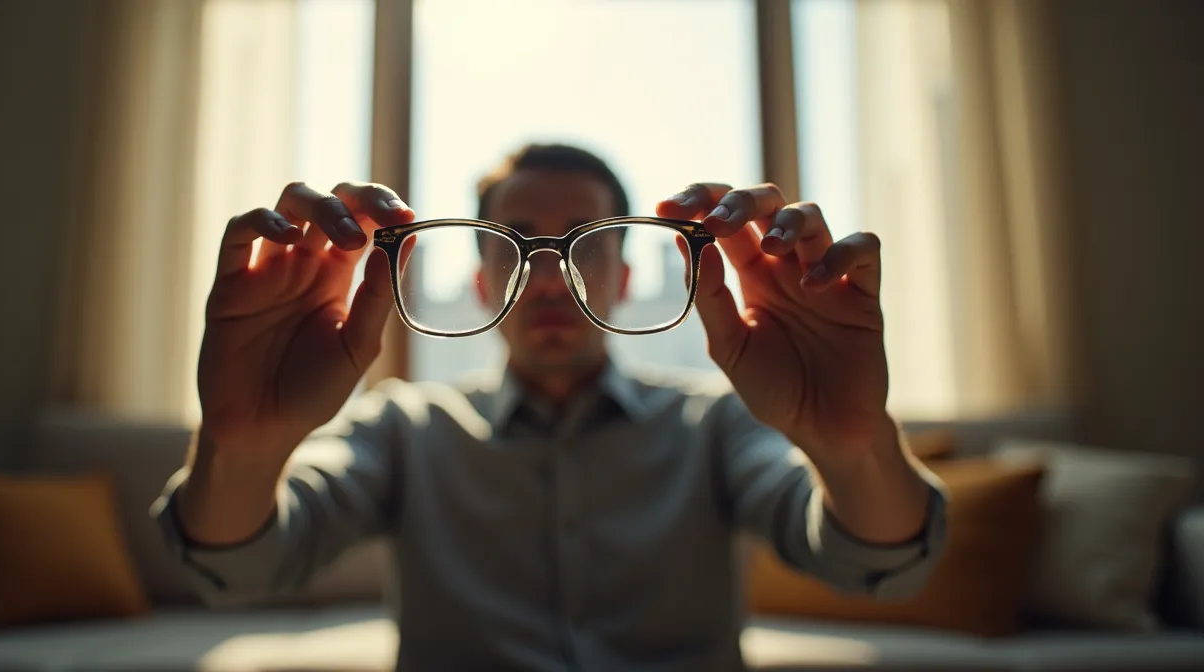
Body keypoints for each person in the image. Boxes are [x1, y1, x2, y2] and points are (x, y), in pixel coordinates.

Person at [151, 143, 948, 672]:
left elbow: (868, 564)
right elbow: (241, 570)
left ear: (627, 277)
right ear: (478, 281)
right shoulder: (408, 430)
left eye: (583, 242)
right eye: (512, 244)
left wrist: (853, 443)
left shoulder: (713, 422)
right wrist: (242, 443)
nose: (544, 276)